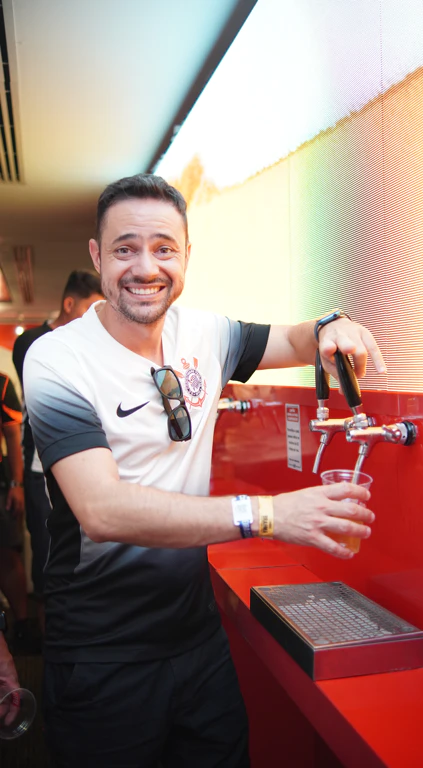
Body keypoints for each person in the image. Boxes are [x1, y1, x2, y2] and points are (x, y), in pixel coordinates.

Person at [23, 174, 386, 768]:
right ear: (97, 255)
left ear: (187, 256)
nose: (146, 267)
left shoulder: (207, 335)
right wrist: (269, 515)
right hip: (102, 655)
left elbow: (295, 340)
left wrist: (330, 326)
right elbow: (102, 509)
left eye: (163, 248)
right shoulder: (57, 359)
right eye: (125, 248)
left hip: (198, 640)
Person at [12, 271, 103, 631]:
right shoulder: (33, 343)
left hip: (82, 464)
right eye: (91, 309)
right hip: (39, 468)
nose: (96, 319)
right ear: (69, 304)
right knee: (47, 549)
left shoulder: (89, 345)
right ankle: (48, 637)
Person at [0, 371, 30, 652]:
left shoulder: (2, 382)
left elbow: (12, 434)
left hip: (1, 481)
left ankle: (22, 625)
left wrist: (17, 484)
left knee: (7, 554)